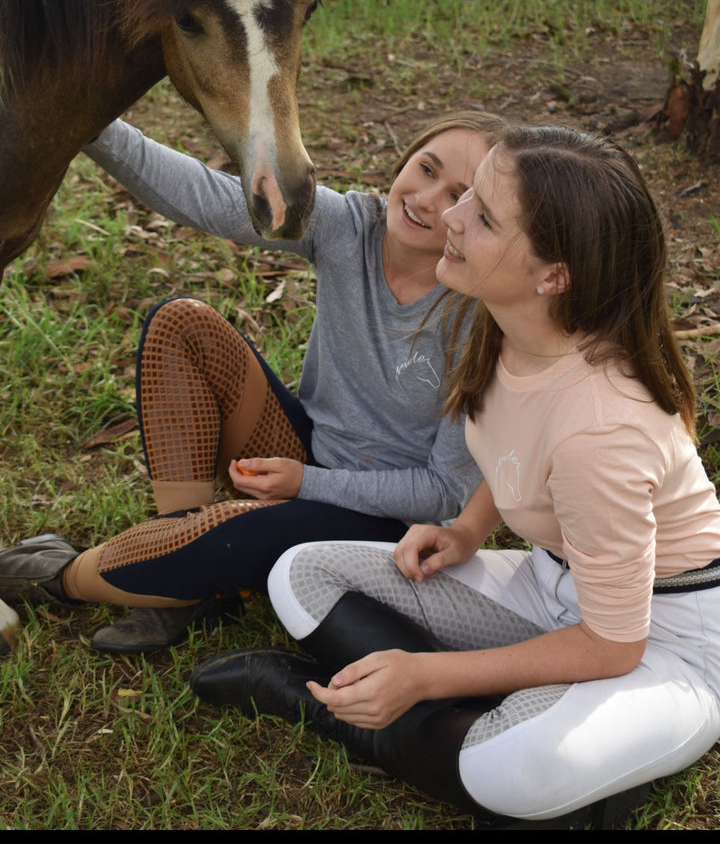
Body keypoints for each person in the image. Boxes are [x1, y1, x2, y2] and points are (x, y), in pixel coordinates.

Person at [188, 124, 720, 829]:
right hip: (549, 584)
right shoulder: (510, 326)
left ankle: (331, 712)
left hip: (662, 642)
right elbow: (514, 445)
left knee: (514, 773)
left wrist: (426, 674)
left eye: (484, 214)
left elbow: (613, 641)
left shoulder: (603, 428)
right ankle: (515, 752)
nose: (453, 218)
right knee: (300, 576)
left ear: (552, 274)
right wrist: (469, 527)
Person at [0, 108, 503, 655]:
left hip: (387, 526)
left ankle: (57, 574)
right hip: (305, 451)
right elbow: (205, 196)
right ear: (405, 159)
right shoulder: (350, 226)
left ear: (480, 217)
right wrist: (88, 122)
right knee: (183, 323)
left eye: (458, 194)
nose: (428, 199)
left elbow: (441, 492)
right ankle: (191, 584)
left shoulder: (484, 315)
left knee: (230, 531)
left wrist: (306, 485)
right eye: (426, 169)